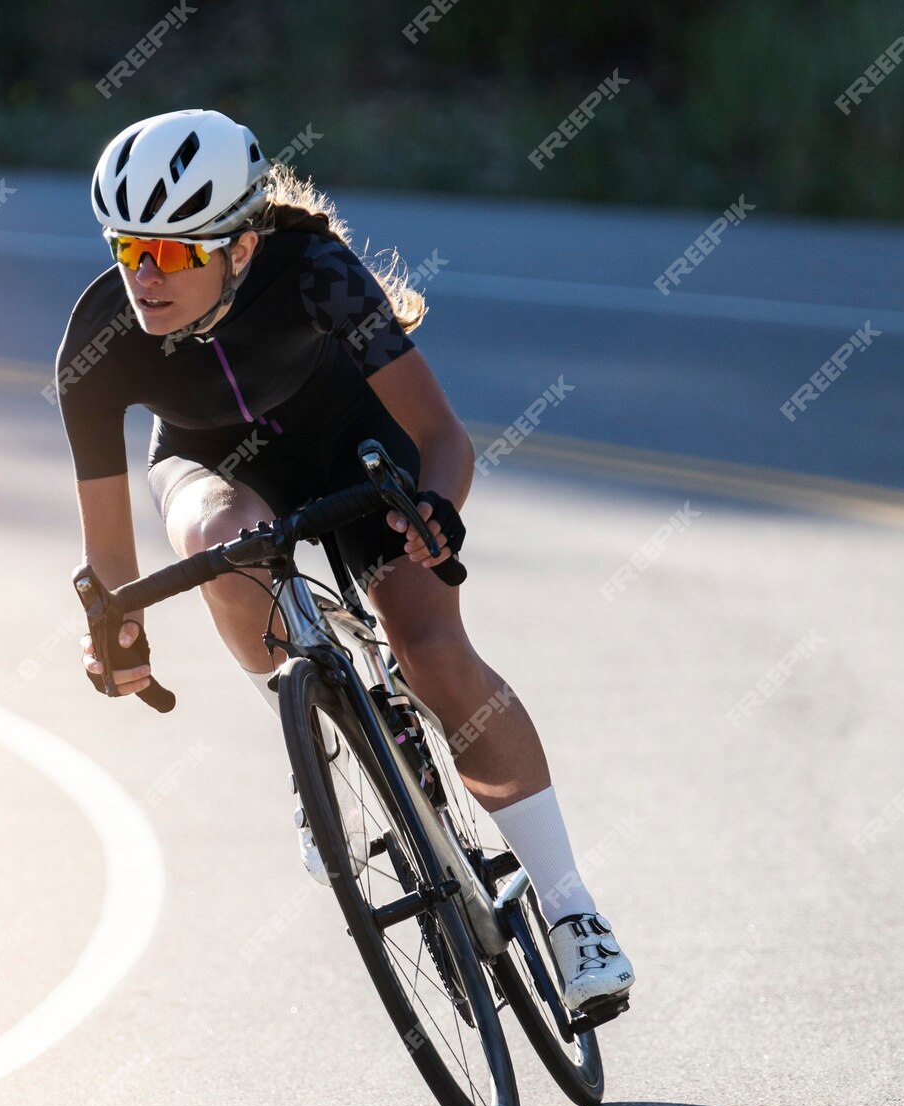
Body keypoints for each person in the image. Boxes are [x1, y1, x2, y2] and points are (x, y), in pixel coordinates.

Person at [56, 108, 634, 1010]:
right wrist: (116, 630)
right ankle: (310, 737)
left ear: (239, 249)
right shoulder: (96, 344)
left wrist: (437, 511)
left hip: (350, 438)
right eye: (130, 249)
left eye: (172, 254)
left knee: (430, 648)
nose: (144, 276)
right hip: (211, 464)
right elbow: (111, 571)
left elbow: (443, 438)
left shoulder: (317, 274)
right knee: (224, 544)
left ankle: (570, 912)